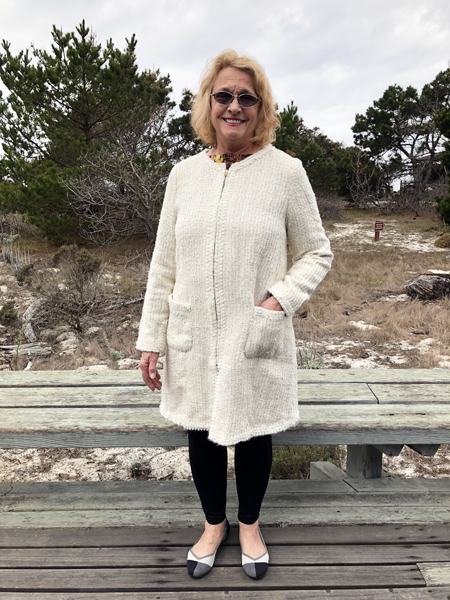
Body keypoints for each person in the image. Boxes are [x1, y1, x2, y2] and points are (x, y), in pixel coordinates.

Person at [137, 49, 333, 580]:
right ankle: (213, 524)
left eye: (247, 97)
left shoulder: (286, 172)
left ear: (261, 107)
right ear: (208, 103)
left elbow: (316, 252)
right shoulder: (183, 176)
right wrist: (150, 338)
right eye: (223, 95)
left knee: (252, 431)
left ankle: (249, 524)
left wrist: (277, 301)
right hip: (193, 330)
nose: (234, 106)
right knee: (200, 429)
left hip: (254, 330)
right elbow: (164, 263)